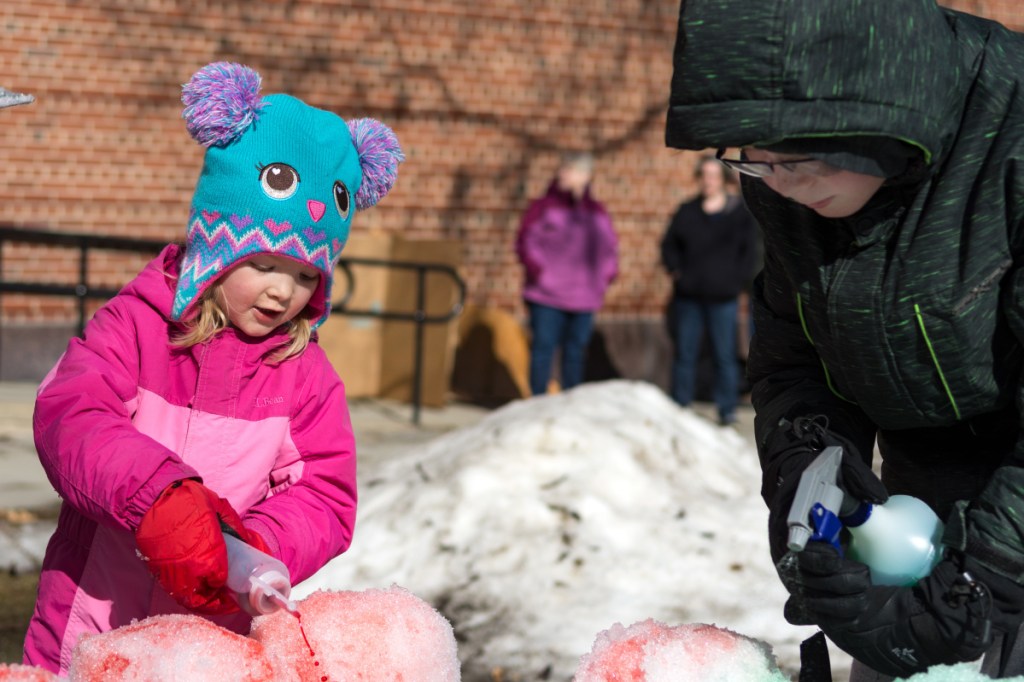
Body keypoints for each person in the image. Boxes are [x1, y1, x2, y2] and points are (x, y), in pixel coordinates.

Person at [664, 1, 1024, 680]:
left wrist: (991, 572)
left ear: (880, 111)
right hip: (918, 515)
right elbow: (795, 358)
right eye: (753, 159)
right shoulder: (788, 181)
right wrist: (809, 475)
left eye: (797, 157)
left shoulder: (1011, 141)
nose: (778, 182)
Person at [24, 61, 404, 675]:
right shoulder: (137, 327)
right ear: (217, 247)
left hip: (209, 642)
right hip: (89, 621)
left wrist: (251, 549)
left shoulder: (302, 371)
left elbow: (325, 494)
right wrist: (157, 499)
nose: (284, 294)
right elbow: (71, 415)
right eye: (267, 265)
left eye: (307, 275)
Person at [660, 155, 756, 425]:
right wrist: (676, 270)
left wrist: (736, 282)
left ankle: (726, 408)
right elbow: (669, 246)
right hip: (688, 297)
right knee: (685, 353)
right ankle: (681, 405)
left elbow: (748, 254)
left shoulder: (737, 215)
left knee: (723, 354)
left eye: (714, 176)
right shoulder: (687, 211)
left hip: (723, 298)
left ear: (723, 180)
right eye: (704, 175)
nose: (708, 181)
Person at [515, 152, 619, 396]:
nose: (562, 174)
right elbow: (525, 242)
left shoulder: (597, 213)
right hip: (546, 294)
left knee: (575, 352)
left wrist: (605, 277)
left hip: (584, 296)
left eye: (569, 170)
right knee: (543, 349)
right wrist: (539, 271)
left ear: (585, 176)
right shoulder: (543, 207)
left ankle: (571, 406)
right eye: (562, 169)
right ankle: (537, 403)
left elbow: (609, 249)